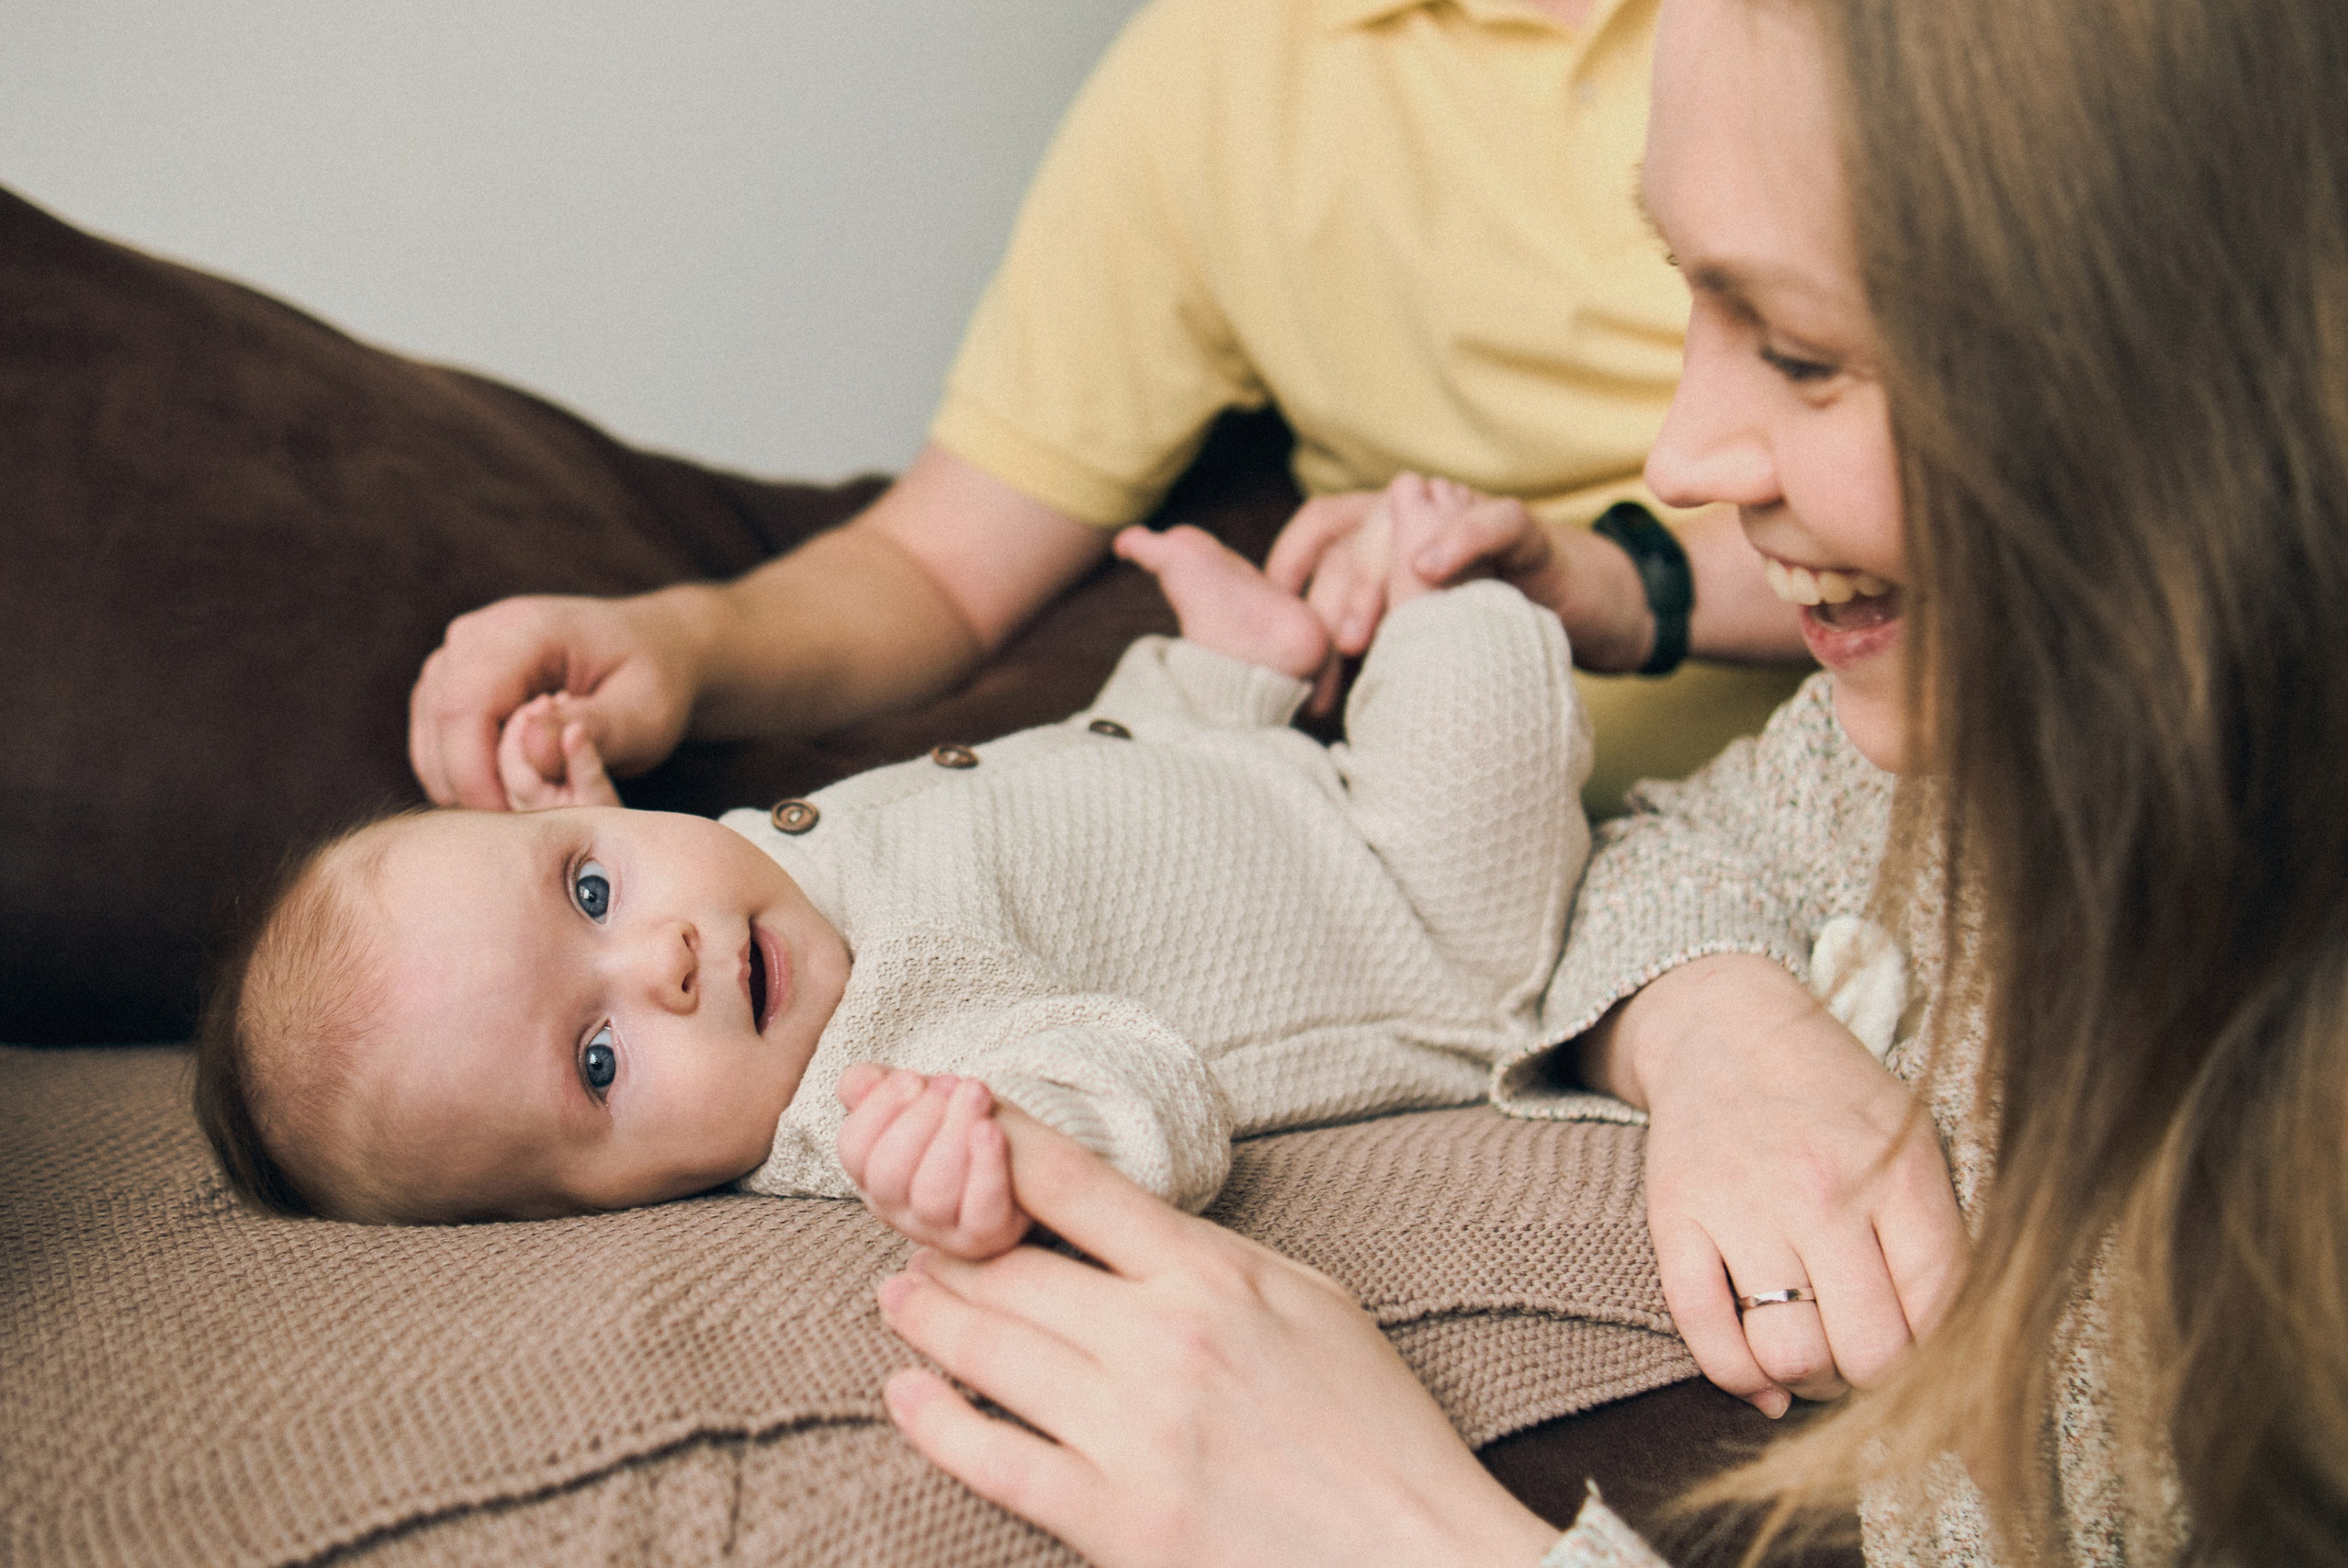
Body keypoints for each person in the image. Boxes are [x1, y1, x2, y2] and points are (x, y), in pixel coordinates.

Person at [848, 0, 2348, 1562]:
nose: (1683, 453)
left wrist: (1406, 1531)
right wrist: (1717, 1030)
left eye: (1800, 351)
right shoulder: (1967, 760)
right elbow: (1687, 849)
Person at [404, 0, 1812, 826]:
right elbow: (938, 567)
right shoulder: (1214, 70)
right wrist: (676, 646)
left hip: (1932, 730)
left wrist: (1620, 582)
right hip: (1527, 843)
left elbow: (2001, 505)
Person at [196, 477, 1594, 1232]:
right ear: (592, 1202)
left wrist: (599, 811)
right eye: (598, 1060)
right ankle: (1446, 605)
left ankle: (1234, 674)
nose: (664, 959)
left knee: (1122, 733)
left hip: (1230, 780)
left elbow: (642, 906)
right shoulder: (867, 1098)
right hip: (1421, 919)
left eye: (591, 886)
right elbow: (1153, 1097)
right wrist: (1003, 1157)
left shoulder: (726, 895)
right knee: (1470, 653)